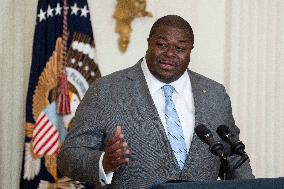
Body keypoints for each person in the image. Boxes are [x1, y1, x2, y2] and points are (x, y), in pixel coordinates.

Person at [58, 15, 254, 189]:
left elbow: (233, 158)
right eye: (162, 45)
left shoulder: (214, 94)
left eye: (180, 48)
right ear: (149, 42)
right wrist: (104, 162)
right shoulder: (107, 90)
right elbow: (68, 157)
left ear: (190, 50)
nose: (170, 53)